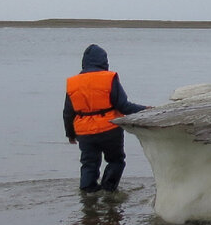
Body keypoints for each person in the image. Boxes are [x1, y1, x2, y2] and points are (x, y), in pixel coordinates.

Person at [63, 44, 148, 193]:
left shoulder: (73, 83)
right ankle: (108, 190)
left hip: (84, 132)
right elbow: (123, 106)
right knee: (116, 160)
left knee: (89, 164)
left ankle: (88, 193)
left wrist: (70, 134)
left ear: (84, 62)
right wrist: (145, 110)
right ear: (104, 61)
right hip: (110, 129)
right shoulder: (109, 78)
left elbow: (68, 113)